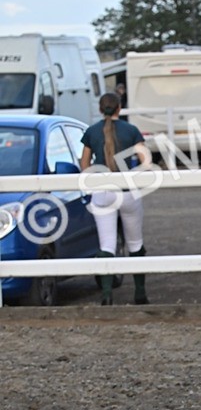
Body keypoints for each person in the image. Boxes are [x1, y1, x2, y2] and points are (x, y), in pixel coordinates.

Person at [80, 91, 152, 306]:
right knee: (135, 243)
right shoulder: (131, 130)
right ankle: (140, 293)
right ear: (119, 108)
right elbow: (146, 160)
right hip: (127, 191)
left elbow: (84, 164)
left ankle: (107, 295)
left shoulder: (92, 132)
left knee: (107, 245)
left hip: (102, 192)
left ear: (101, 109)